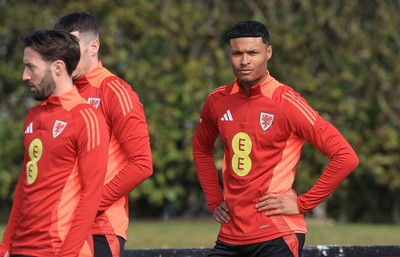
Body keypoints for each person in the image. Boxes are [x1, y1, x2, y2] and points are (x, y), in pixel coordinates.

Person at [192, 20, 359, 257]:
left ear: (268, 52)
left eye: (253, 52)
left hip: (276, 233)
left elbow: (345, 156)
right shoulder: (217, 100)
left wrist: (303, 204)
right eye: (237, 53)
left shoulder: (286, 102)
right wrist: (214, 199)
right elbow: (200, 148)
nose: (245, 61)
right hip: (231, 234)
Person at [0, 30, 109, 257]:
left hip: (58, 250)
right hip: (22, 248)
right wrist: (5, 245)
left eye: (31, 67)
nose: (24, 76)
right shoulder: (33, 116)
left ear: (58, 68)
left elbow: (91, 195)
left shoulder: (86, 117)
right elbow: (24, 184)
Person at [54, 11, 153, 257]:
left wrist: (91, 205)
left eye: (72, 47)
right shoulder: (59, 94)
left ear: (93, 46)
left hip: (98, 229)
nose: (65, 56)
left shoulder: (114, 90)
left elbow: (142, 164)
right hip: (57, 227)